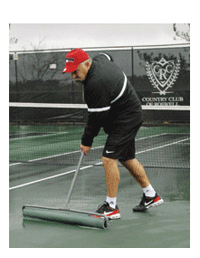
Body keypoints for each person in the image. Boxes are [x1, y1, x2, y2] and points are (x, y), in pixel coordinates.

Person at [62, 48, 163, 219]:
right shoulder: (100, 59)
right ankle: (150, 195)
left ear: (87, 64)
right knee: (126, 158)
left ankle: (111, 207)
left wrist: (86, 141)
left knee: (108, 158)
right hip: (126, 114)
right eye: (70, 73)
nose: (73, 77)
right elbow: (109, 56)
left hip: (126, 118)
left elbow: (96, 118)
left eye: (75, 72)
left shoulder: (95, 84)